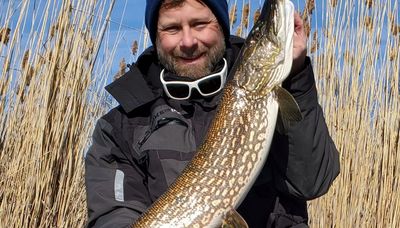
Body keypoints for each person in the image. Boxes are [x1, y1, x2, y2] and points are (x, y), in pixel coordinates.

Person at [84, 0, 340, 227]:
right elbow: (114, 213)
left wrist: (296, 78)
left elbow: (312, 182)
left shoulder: (272, 96)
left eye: (200, 24)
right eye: (172, 28)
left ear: (220, 25)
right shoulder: (120, 128)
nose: (188, 42)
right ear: (156, 34)